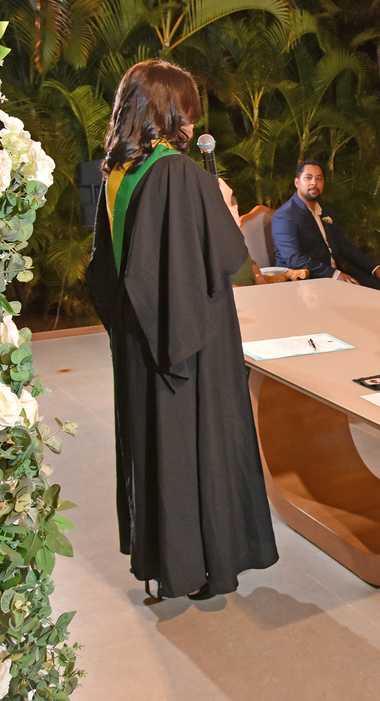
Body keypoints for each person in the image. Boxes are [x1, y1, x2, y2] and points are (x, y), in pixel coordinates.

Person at [86, 60, 278, 601]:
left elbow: (110, 267)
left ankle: (166, 562)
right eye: (187, 111)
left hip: (140, 333)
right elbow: (230, 261)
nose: (192, 124)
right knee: (196, 444)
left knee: (154, 445)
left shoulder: (118, 173)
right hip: (189, 341)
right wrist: (226, 210)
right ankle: (202, 566)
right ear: (169, 112)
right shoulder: (179, 172)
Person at [272, 159, 380, 292]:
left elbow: (344, 246)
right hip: (306, 284)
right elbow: (294, 258)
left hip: (334, 277)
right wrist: (334, 275)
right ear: (297, 182)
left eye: (319, 179)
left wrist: (375, 269)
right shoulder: (285, 215)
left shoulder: (325, 211)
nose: (314, 182)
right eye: (308, 178)